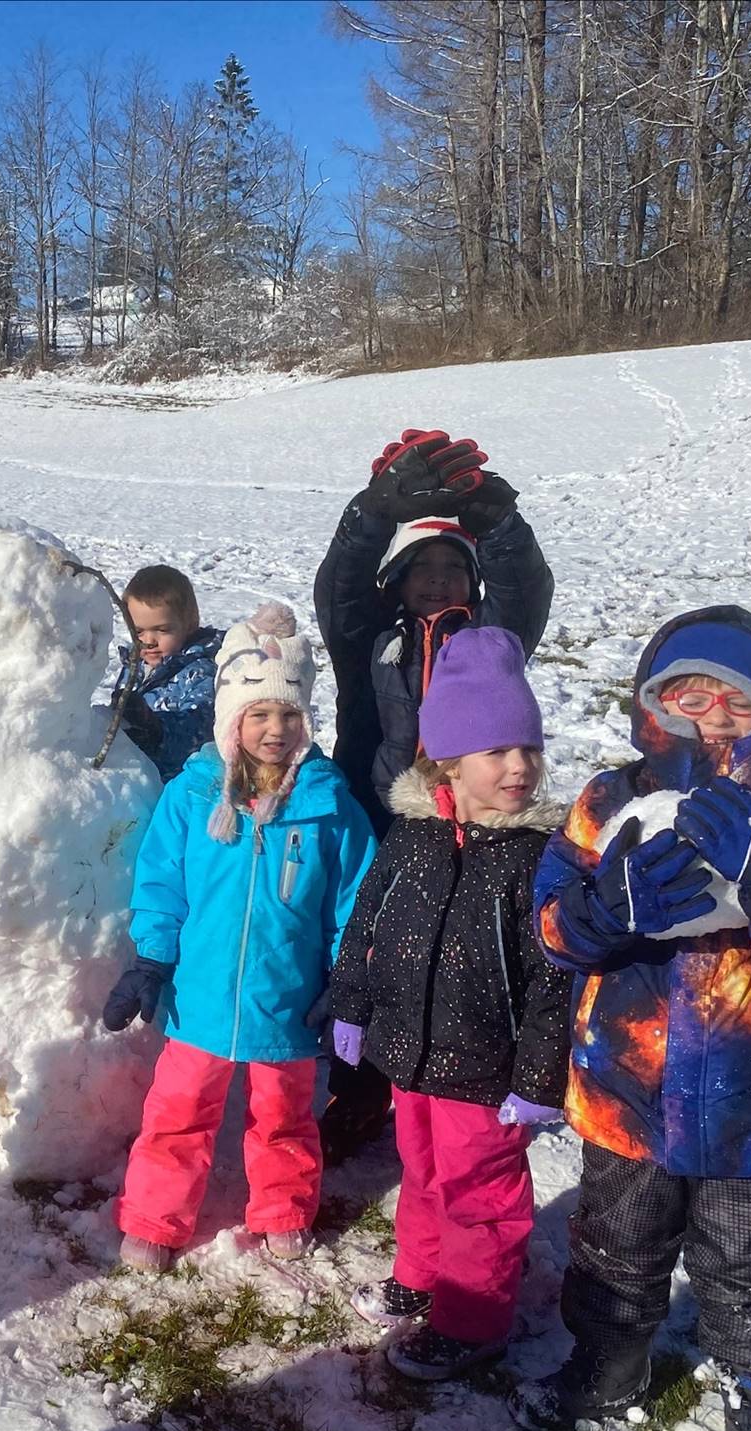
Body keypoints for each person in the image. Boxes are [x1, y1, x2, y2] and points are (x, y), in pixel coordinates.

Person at [524, 606, 751, 1431]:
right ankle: (607, 1363)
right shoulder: (606, 804)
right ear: (648, 707)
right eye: (687, 699)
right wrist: (605, 909)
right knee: (615, 1248)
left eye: (736, 706)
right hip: (626, 1095)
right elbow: (552, 933)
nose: (710, 724)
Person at [324, 629, 572, 1381]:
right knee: (423, 1172)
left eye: (527, 749)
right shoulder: (412, 835)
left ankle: (472, 1319)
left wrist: (537, 1081)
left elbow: (554, 981)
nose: (519, 767)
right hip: (412, 1054)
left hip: (488, 1070)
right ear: (448, 760)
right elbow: (368, 921)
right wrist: (350, 1001)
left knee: (481, 1195)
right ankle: (421, 1276)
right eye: (497, 751)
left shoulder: (538, 859)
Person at [102, 603, 375, 1271]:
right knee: (177, 1115)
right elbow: (163, 885)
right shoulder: (193, 797)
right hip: (201, 1000)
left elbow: (354, 902)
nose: (274, 729)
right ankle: (155, 1220)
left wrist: (347, 978)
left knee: (284, 1117)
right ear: (231, 721)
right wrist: (150, 960)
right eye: (259, 714)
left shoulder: (329, 805)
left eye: (288, 715)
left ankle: (281, 1208)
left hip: (287, 998)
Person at [313, 428, 556, 1166]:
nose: (440, 578)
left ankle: (462, 1083)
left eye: (456, 567)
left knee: (458, 958)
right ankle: (357, 1092)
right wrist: (374, 512)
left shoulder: (491, 645)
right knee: (372, 952)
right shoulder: (368, 640)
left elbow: (525, 589)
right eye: (423, 568)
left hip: (472, 829)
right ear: (397, 582)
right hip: (381, 818)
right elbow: (339, 586)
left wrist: (495, 520)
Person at [112, 565, 224, 782]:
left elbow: (197, 734)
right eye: (138, 631)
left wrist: (154, 729)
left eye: (162, 630)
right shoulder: (135, 666)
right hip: (134, 780)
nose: (149, 641)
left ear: (189, 624)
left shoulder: (199, 673)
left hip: (176, 789)